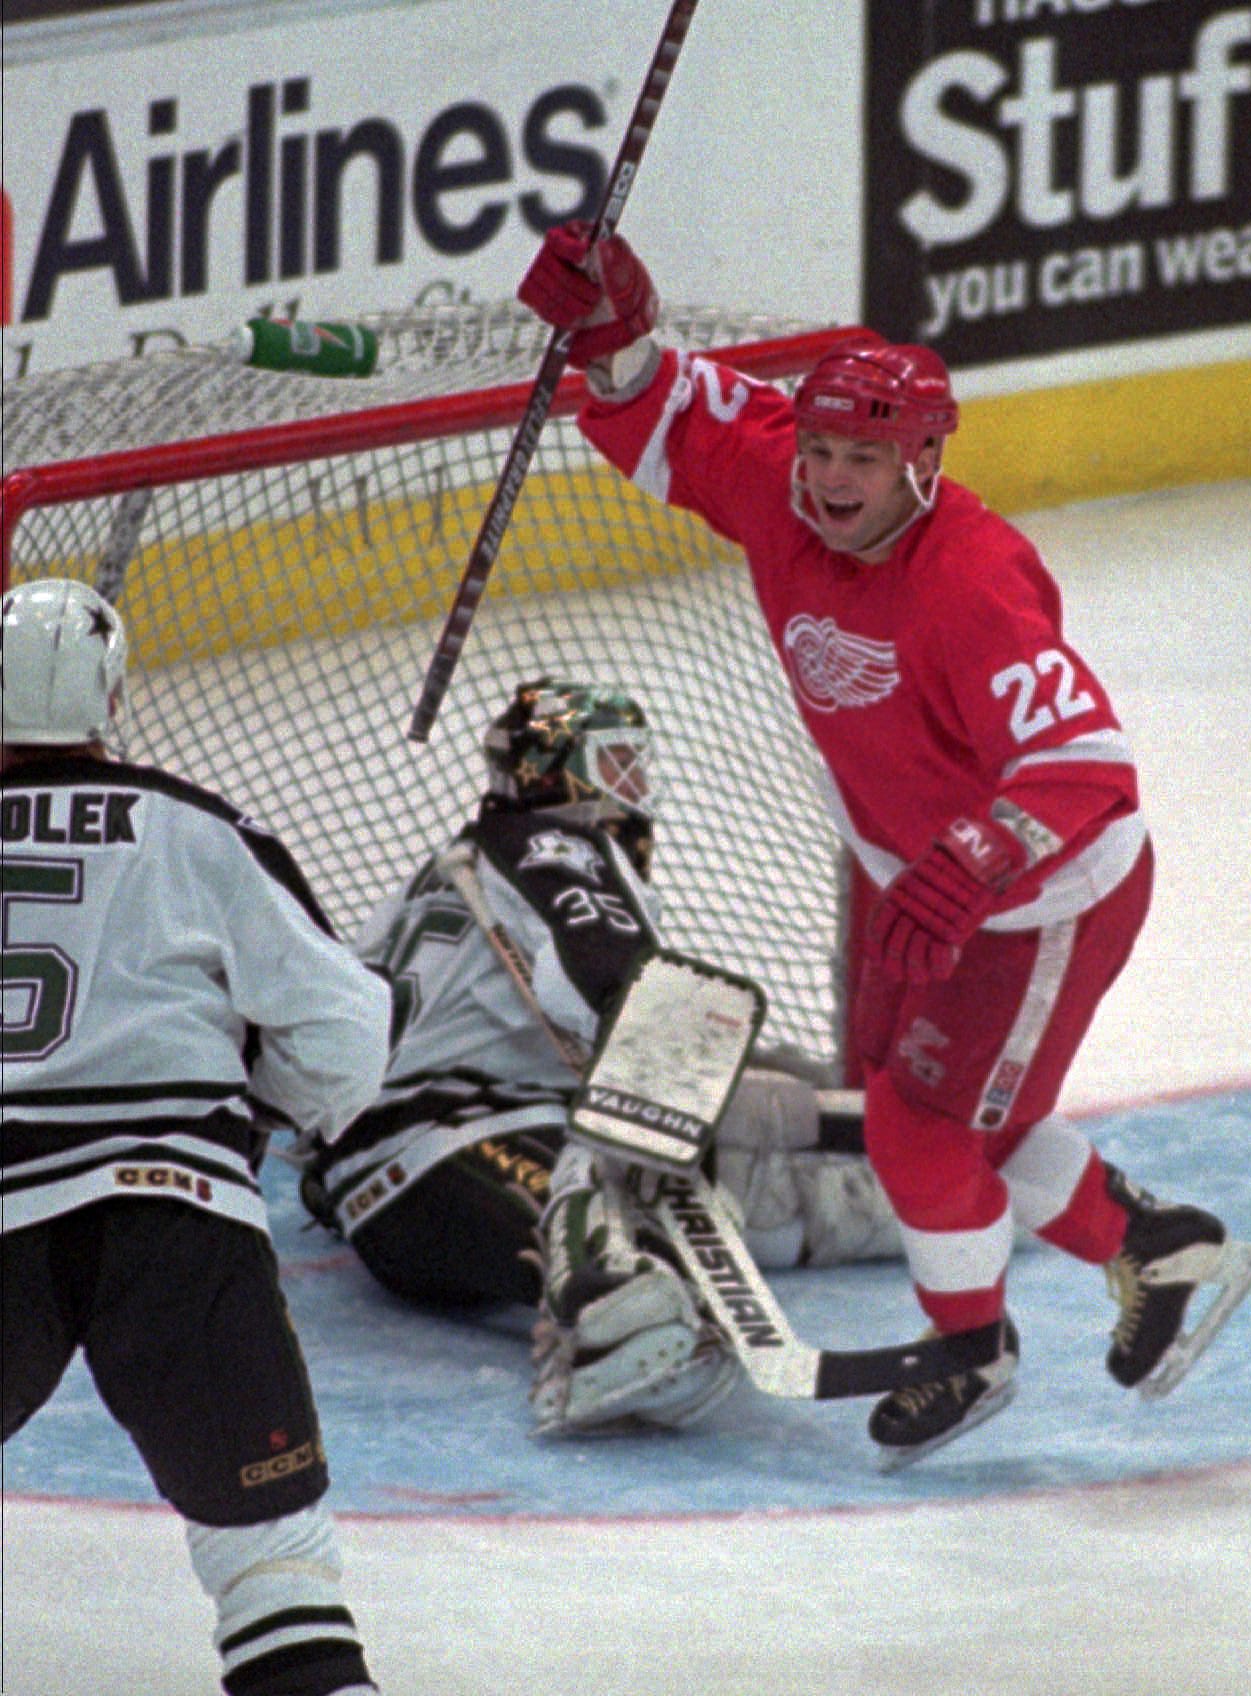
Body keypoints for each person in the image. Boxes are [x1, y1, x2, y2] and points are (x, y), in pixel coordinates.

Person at [514, 223, 1251, 1466]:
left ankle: (970, 1348)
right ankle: (1163, 1249)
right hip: (913, 874)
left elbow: (1083, 764)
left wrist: (972, 861)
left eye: (862, 454)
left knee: (924, 1131)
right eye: (817, 448)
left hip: (1040, 901)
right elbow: (673, 411)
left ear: (922, 457)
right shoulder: (781, 486)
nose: (828, 476)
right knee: (934, 1113)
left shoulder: (969, 581)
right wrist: (611, 330)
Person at [298, 676, 900, 1436]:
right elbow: (623, 997)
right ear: (562, 776)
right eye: (618, 765)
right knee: (633, 1143)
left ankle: (864, 1208)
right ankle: (611, 1301)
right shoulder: (559, 845)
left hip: (392, 1202)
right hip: (446, 1151)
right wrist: (743, 1103)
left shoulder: (459, 863)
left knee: (705, 1153)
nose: (636, 791)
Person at [0, 579, 392, 1695]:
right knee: (273, 1563)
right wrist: (268, 1099)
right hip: (179, 1215)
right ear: (113, 696)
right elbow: (345, 1035)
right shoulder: (200, 826)